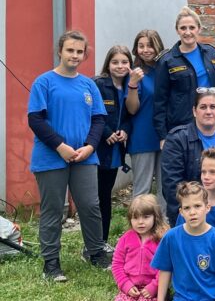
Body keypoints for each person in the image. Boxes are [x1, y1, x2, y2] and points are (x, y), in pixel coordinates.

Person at [28, 30, 110, 281]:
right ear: (60, 51)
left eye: (79, 51)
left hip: (84, 156)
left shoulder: (89, 85)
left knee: (90, 205)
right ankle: (51, 263)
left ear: (84, 55)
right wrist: (60, 146)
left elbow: (98, 119)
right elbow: (35, 120)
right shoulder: (44, 82)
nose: (74, 55)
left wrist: (90, 147)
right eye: (70, 50)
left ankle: (95, 252)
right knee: (53, 209)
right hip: (51, 157)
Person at [161, 88, 215, 226]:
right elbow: (172, 184)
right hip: (195, 213)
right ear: (194, 111)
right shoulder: (177, 139)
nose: (208, 111)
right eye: (203, 107)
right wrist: (187, 213)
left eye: (213, 107)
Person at [153, 7, 215, 143]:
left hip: (210, 122)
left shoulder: (211, 53)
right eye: (183, 28)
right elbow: (160, 101)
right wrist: (163, 136)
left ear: (199, 29)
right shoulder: (167, 60)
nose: (188, 32)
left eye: (192, 27)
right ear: (177, 30)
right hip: (181, 127)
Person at [93, 45, 133, 250]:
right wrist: (106, 132)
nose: (120, 66)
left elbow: (130, 115)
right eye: (115, 62)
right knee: (97, 197)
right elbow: (93, 113)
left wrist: (125, 130)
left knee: (106, 195)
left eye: (124, 62)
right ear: (108, 64)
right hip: (98, 149)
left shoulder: (130, 86)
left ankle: (103, 240)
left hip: (115, 151)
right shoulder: (98, 84)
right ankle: (94, 242)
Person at [109, 195, 168, 301]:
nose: (140, 222)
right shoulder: (126, 238)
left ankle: (162, 298)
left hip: (152, 288)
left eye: (146, 217)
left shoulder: (161, 240)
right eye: (135, 218)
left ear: (155, 217)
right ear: (130, 219)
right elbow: (117, 264)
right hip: (131, 287)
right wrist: (125, 285)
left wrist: (154, 286)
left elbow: (165, 267)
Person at [126, 30, 166, 209]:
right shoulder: (136, 73)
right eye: (141, 46)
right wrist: (133, 83)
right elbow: (132, 108)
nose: (145, 50)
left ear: (158, 46)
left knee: (166, 189)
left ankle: (164, 224)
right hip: (142, 137)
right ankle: (139, 224)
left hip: (165, 136)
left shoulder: (166, 70)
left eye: (150, 45)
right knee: (142, 191)